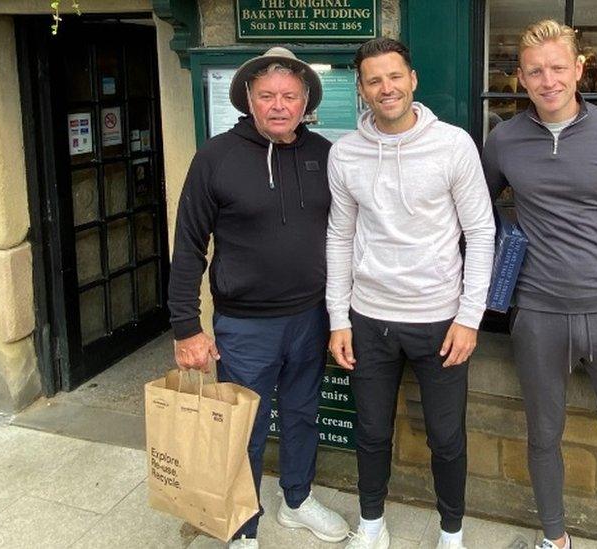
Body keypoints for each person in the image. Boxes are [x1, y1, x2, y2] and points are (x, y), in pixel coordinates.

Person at [481, 20, 597, 549]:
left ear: (579, 69)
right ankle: (555, 540)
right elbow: (473, 214)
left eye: (559, 67)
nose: (548, 80)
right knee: (543, 437)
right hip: (537, 314)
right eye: (535, 71)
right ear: (520, 77)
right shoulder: (504, 140)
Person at [168, 47, 349, 549]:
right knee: (242, 425)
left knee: (301, 413)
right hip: (245, 326)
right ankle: (242, 525)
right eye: (266, 95)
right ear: (248, 98)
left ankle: (296, 501)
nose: (278, 105)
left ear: (306, 100)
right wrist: (186, 325)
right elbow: (188, 245)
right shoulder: (215, 157)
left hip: (311, 316)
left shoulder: (323, 154)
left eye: (290, 95)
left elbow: (346, 232)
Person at [325, 37, 495, 549]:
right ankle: (372, 525)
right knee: (372, 433)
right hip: (368, 320)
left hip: (440, 322)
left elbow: (482, 231)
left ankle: (451, 533)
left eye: (394, 76)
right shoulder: (346, 152)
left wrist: (469, 316)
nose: (386, 88)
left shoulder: (453, 145)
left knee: (445, 439)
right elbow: (339, 235)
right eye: (374, 80)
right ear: (361, 89)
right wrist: (338, 317)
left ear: (412, 79)